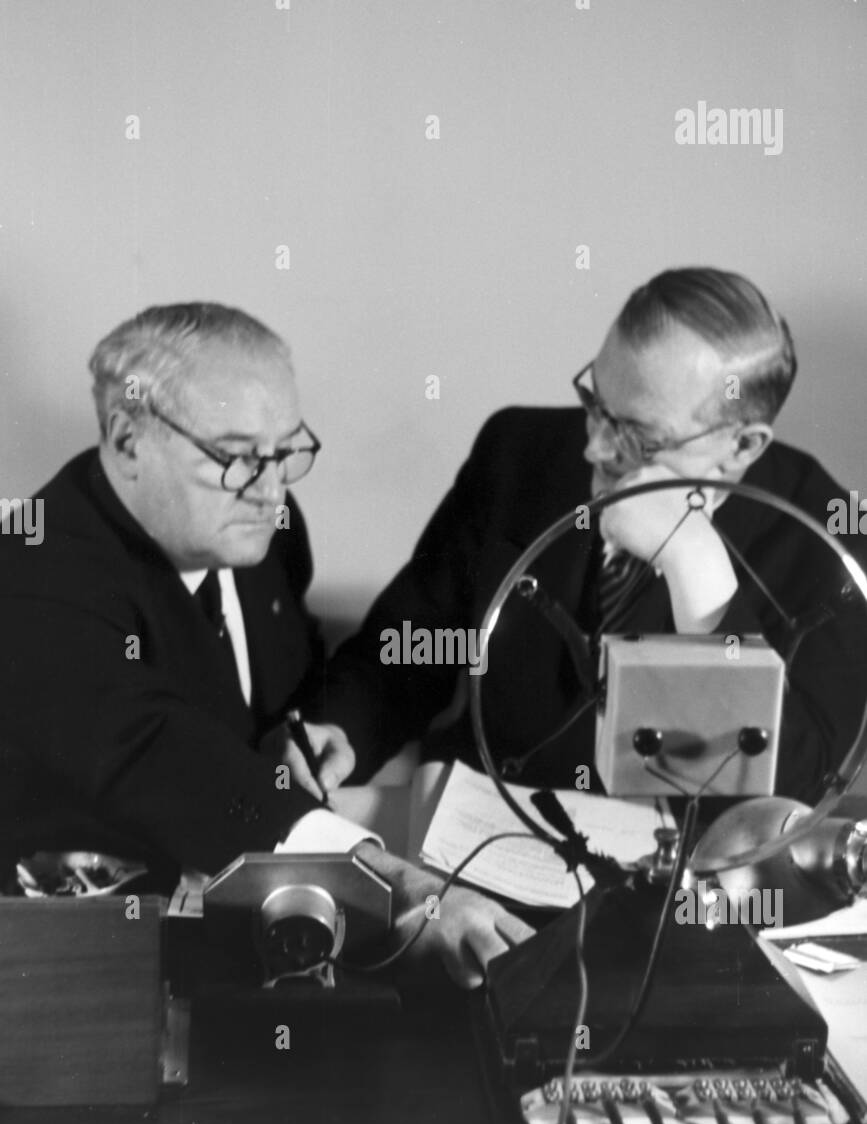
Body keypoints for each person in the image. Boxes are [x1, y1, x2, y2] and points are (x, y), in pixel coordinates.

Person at [0, 303, 532, 988]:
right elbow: (163, 756)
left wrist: (310, 735)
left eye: (286, 450)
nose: (273, 490)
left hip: (266, 927)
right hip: (96, 974)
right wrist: (396, 886)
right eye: (238, 457)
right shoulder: (36, 579)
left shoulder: (262, 524)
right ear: (128, 439)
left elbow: (280, 695)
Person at [315, 268, 867, 803]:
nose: (595, 448)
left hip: (687, 878)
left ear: (743, 446)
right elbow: (406, 652)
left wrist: (696, 567)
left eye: (636, 435)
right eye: (595, 404)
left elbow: (795, 788)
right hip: (488, 840)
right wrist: (339, 732)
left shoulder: (828, 533)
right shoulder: (518, 452)